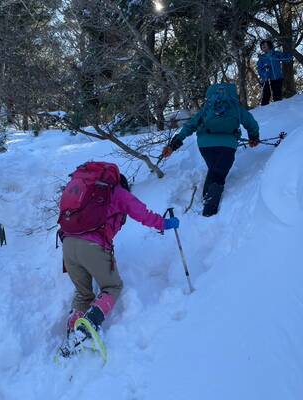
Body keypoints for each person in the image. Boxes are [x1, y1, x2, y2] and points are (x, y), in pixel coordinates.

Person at [57, 162, 179, 355]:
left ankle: (73, 333)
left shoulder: (83, 193)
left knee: (83, 294)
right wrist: (164, 223)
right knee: (112, 286)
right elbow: (143, 214)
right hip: (92, 246)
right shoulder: (117, 193)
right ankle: (89, 324)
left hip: (67, 245)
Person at [162, 83, 260, 217]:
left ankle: (206, 196)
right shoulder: (236, 108)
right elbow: (251, 123)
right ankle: (209, 209)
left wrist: (173, 145)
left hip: (205, 144)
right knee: (219, 173)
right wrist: (254, 137)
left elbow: (190, 126)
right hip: (228, 144)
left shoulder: (207, 109)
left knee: (214, 168)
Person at [257, 39, 293, 106]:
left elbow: (287, 58)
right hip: (267, 80)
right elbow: (259, 70)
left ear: (269, 45)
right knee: (266, 96)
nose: (263, 46)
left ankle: (278, 110)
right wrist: (264, 73)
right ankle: (263, 112)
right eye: (261, 46)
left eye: (264, 45)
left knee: (277, 95)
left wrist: (287, 55)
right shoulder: (262, 58)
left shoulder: (276, 54)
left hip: (277, 78)